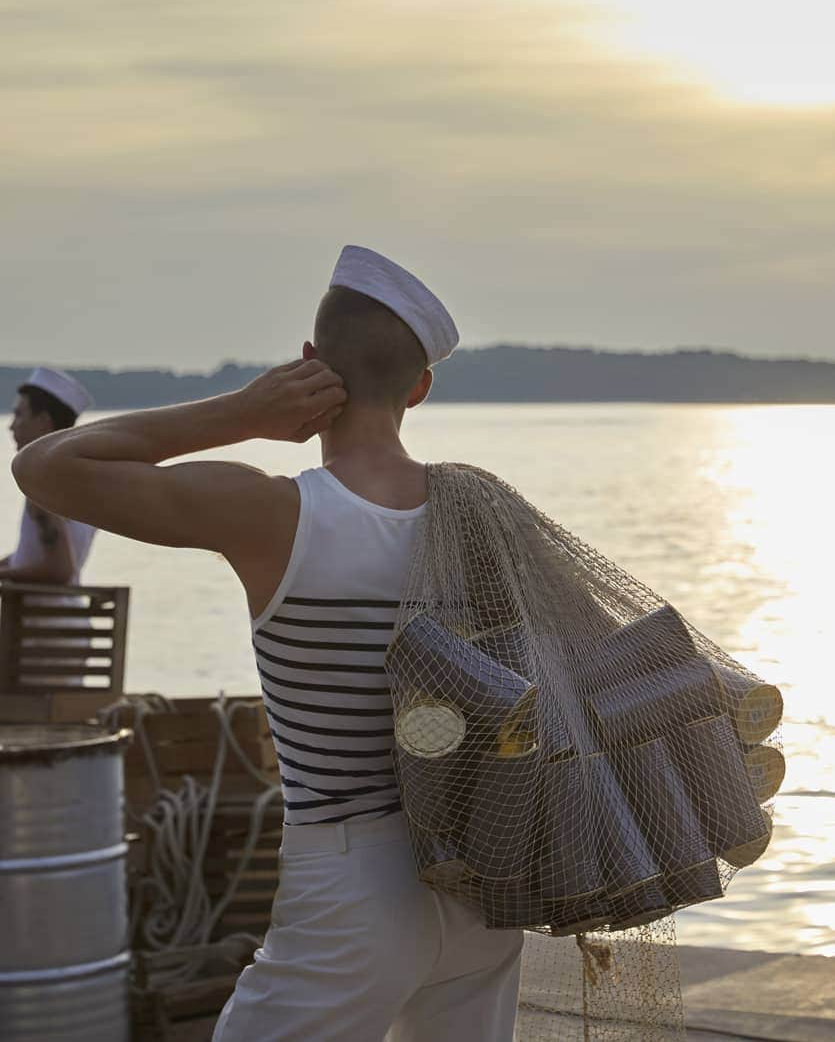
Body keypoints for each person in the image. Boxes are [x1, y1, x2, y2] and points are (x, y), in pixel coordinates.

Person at [12, 247, 524, 1042]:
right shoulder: (476, 514)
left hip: (355, 882)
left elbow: (44, 466)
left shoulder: (274, 515)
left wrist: (241, 415)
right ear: (420, 388)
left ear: (310, 363)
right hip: (485, 877)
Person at [2, 366, 97, 586]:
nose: (11, 426)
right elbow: (32, 558)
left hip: (37, 618)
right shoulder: (82, 482)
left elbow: (60, 571)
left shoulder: (41, 486)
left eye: (19, 414)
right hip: (69, 618)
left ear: (44, 421)